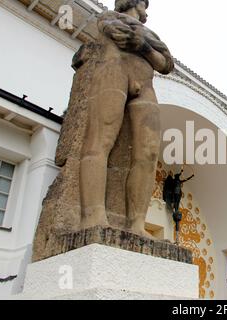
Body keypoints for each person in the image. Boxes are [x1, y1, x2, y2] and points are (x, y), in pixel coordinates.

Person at [79, 0, 174, 238]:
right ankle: (93, 215)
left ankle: (137, 223)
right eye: (144, 3)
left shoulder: (151, 34)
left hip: (146, 84)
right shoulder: (108, 16)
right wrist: (142, 43)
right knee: (101, 140)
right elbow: (112, 31)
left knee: (149, 152)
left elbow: (166, 64)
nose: (146, 9)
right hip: (114, 70)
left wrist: (143, 44)